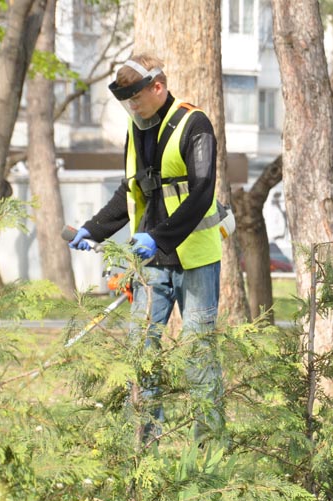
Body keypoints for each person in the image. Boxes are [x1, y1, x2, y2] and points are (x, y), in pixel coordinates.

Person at [68, 53, 224, 440]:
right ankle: (143, 448)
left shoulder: (195, 124)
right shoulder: (136, 128)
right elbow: (131, 190)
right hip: (151, 263)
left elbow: (202, 192)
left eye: (136, 99)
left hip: (195, 259)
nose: (132, 107)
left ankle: (210, 450)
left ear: (158, 87)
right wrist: (93, 230)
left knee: (198, 355)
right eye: (127, 102)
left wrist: (159, 236)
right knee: (140, 353)